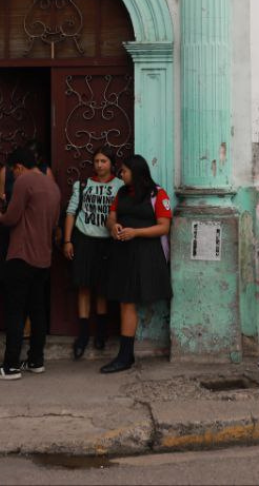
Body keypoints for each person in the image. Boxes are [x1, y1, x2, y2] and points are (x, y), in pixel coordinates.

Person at [0, 146, 61, 380]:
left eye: (13, 171)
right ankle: (36, 359)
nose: (13, 175)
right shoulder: (52, 185)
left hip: (21, 254)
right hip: (43, 256)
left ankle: (10, 366)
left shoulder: (24, 180)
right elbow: (54, 221)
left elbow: (11, 218)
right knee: (37, 310)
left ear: (18, 166)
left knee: (15, 311)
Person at [101, 155, 172, 374]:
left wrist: (137, 232)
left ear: (137, 172)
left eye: (124, 171)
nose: (120, 174)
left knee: (129, 302)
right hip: (123, 254)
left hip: (146, 255)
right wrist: (113, 227)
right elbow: (110, 217)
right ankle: (125, 355)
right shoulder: (121, 193)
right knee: (125, 302)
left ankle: (125, 356)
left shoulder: (157, 194)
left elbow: (163, 227)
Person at [64, 149, 123, 359]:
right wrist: (68, 240)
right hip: (84, 239)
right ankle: (82, 335)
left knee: (102, 289)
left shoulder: (120, 186)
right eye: (97, 161)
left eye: (104, 161)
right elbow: (71, 212)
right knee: (84, 286)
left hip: (107, 243)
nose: (99, 165)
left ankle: (100, 333)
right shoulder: (82, 185)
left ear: (111, 164)